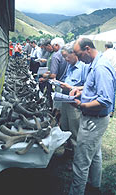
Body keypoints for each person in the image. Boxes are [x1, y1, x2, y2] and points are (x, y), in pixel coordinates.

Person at [68, 38, 116, 195]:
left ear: (87, 49)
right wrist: (81, 91)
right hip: (96, 119)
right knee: (95, 154)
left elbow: (105, 99)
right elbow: (94, 89)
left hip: (93, 121)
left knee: (81, 161)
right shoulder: (95, 64)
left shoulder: (101, 68)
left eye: (78, 54)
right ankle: (94, 186)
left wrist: (81, 105)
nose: (78, 58)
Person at [59, 42, 89, 150]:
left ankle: (76, 157)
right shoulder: (69, 66)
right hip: (66, 102)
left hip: (75, 105)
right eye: (63, 57)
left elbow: (88, 87)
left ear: (74, 54)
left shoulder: (84, 67)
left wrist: (72, 88)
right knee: (65, 128)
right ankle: (68, 152)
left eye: (67, 56)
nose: (66, 59)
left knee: (74, 131)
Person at [103, 41, 116, 117]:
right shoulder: (115, 52)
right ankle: (112, 111)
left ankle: (109, 109)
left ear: (106, 47)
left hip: (109, 74)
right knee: (113, 92)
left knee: (108, 91)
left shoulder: (105, 54)